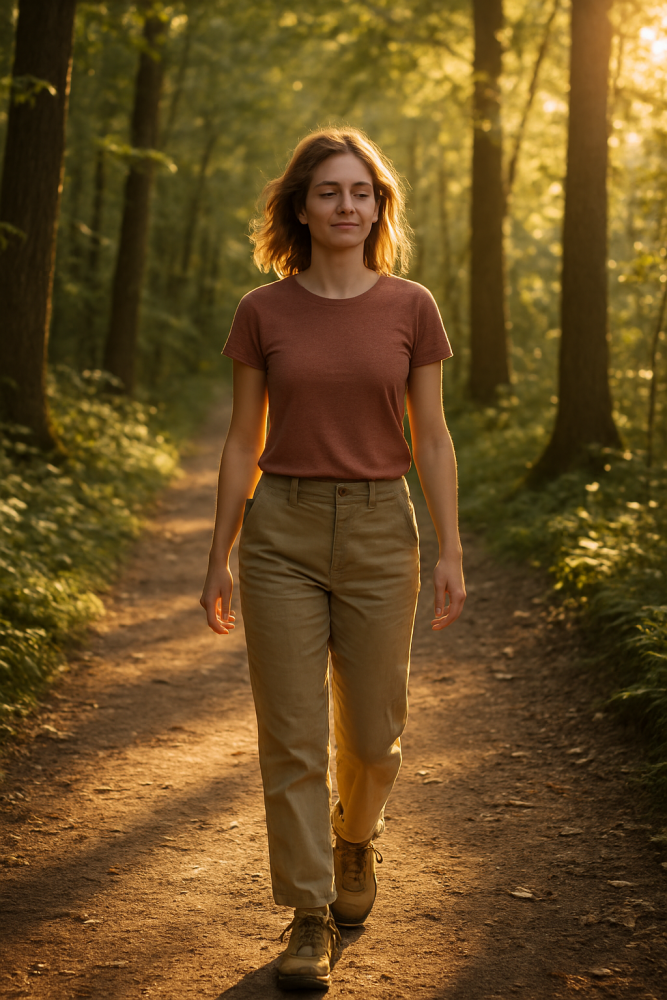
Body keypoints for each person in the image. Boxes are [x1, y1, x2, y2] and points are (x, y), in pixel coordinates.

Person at [200, 126, 465, 992]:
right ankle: (307, 912)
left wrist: (451, 550)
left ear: (377, 206)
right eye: (328, 192)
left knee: (376, 740)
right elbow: (244, 441)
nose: (346, 206)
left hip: (383, 531)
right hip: (281, 528)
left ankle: (356, 842)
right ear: (301, 208)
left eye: (360, 192)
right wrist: (220, 555)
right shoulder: (262, 311)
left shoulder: (411, 306)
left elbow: (431, 436)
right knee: (291, 736)